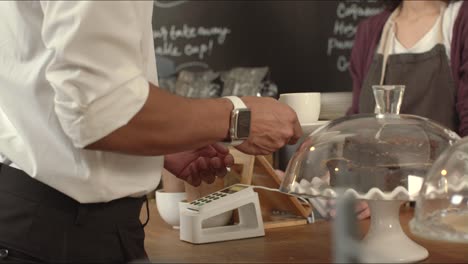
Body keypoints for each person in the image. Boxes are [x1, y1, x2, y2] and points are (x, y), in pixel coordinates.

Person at [0, 1, 302, 263]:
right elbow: (100, 108)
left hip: (45, 223)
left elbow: (46, 90)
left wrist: (156, 143)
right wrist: (238, 118)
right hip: (60, 235)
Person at [348, 0, 468, 136]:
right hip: (373, 156)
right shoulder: (369, 31)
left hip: (447, 157)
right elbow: (356, 125)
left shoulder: (461, 20)